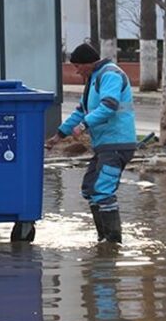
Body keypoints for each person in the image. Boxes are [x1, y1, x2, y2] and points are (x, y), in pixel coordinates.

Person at [46, 43, 136, 244]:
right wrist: (59, 135)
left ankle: (113, 243)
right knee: (90, 188)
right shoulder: (94, 79)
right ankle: (102, 240)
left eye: (78, 66)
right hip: (105, 144)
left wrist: (84, 126)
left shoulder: (110, 75)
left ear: (88, 63)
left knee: (103, 190)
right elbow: (80, 111)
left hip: (117, 143)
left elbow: (109, 106)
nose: (77, 71)